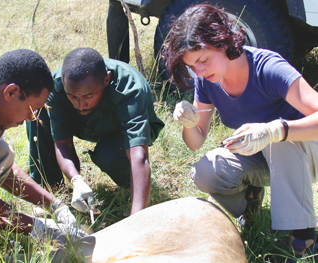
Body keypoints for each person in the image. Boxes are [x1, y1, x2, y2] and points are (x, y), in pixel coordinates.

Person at [164, 3, 318, 261]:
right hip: (268, 156)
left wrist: (276, 129)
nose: (199, 72)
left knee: (279, 141)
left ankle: (303, 239)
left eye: (203, 60)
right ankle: (251, 207)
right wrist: (188, 123)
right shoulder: (208, 80)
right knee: (206, 172)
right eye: (192, 66)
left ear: (223, 42)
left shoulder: (268, 67)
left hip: (307, 151)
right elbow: (196, 141)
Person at [27, 47, 164, 215]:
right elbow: (63, 144)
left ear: (106, 80)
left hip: (120, 129)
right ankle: (51, 189)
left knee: (109, 155)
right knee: (37, 112)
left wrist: (137, 218)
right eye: (72, 97)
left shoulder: (130, 88)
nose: (79, 104)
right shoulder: (57, 85)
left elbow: (138, 155)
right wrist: (76, 181)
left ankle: (133, 184)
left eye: (88, 97)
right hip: (84, 124)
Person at [0, 49, 86, 244]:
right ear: (11, 92)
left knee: (2, 155)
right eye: (32, 109)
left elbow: (5, 170)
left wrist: (56, 206)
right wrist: (41, 229)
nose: (32, 118)